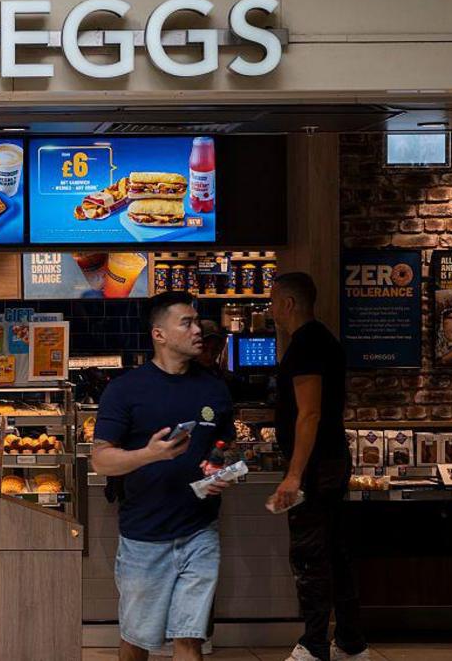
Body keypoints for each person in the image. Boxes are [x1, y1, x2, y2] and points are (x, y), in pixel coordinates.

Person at [91, 291, 235, 661]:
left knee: (189, 638)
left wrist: (219, 470)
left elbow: (222, 445)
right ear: (159, 334)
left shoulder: (214, 388)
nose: (197, 329)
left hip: (199, 532)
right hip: (144, 537)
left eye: (197, 321)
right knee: (138, 639)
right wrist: (148, 454)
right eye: (185, 322)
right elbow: (101, 460)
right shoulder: (125, 389)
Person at [268, 272, 369, 661]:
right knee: (336, 551)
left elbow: (309, 415)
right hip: (330, 460)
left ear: (289, 304)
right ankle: (350, 641)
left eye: (274, 300)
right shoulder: (323, 340)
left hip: (315, 467)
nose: (271, 307)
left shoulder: (307, 345)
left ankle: (313, 645)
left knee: (310, 555)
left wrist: (294, 475)